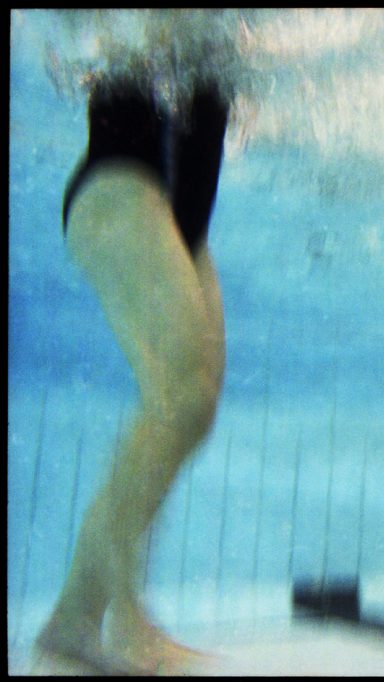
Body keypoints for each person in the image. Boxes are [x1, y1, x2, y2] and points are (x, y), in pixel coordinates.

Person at [33, 70, 231, 673]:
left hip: (178, 218)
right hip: (121, 188)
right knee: (181, 401)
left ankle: (76, 617)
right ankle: (126, 619)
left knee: (190, 414)